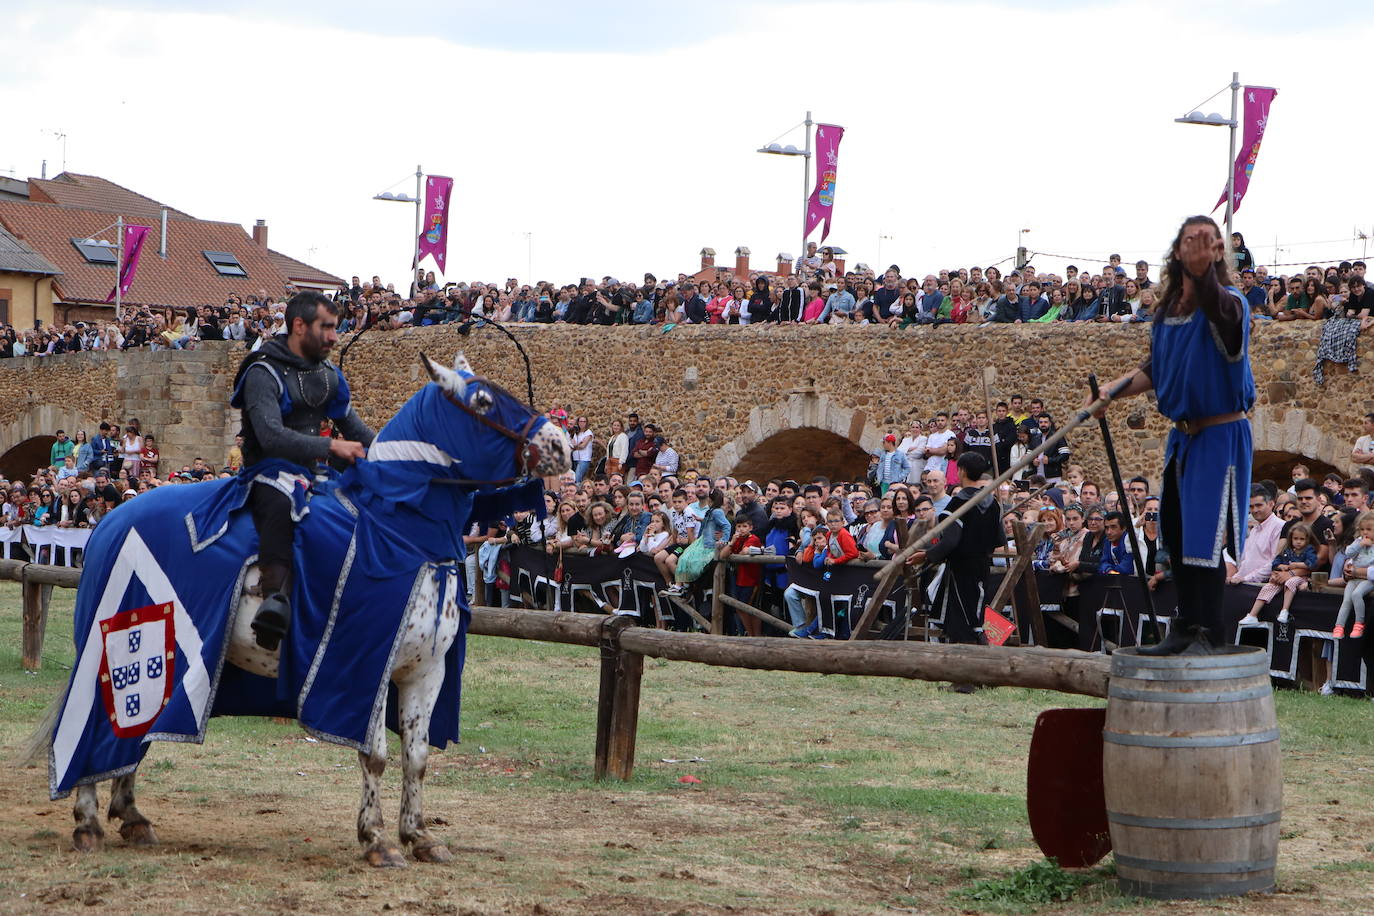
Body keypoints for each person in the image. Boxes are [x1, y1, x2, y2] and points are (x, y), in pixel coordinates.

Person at [1093, 216, 1254, 654]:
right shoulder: (1167, 315)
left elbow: (1225, 316)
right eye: (1190, 241)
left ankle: (1209, 633)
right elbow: (1154, 370)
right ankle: (1184, 627)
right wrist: (1113, 392)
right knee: (1179, 536)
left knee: (1205, 539)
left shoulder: (1230, 304)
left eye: (1206, 243)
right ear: (1176, 252)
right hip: (1182, 438)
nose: (1199, 248)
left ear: (1217, 253)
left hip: (1220, 436)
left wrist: (1205, 276)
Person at [230, 291, 375, 650]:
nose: (334, 336)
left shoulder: (328, 374)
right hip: (268, 470)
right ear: (298, 325)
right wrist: (330, 446)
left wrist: (398, 454)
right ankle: (272, 603)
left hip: (317, 475)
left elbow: (356, 431)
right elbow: (270, 435)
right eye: (326, 327)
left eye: (336, 328)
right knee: (279, 505)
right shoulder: (261, 371)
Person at [910, 453, 1001, 671]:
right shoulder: (993, 504)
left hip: (962, 569)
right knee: (975, 617)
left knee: (963, 621)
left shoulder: (959, 503)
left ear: (960, 471)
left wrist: (928, 554)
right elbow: (998, 539)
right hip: (982, 567)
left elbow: (950, 541)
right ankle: (976, 673)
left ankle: (968, 677)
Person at [1238, 523, 1317, 626]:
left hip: (1301, 578)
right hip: (1283, 576)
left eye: (1302, 539)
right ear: (1291, 538)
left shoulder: (1309, 549)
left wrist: (1296, 565)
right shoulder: (1287, 549)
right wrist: (1281, 566)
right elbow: (1275, 562)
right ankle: (1253, 615)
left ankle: (1284, 611)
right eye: (1295, 538)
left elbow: (1312, 564)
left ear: (1307, 539)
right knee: (1269, 586)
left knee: (1291, 582)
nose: (1298, 542)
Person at [1330, 511, 1374, 639]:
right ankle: (1339, 626)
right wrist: (1359, 545)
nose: (1365, 532)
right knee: (1347, 599)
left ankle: (1359, 623)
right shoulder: (1359, 541)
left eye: (1369, 529)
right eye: (1362, 529)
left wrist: (1359, 571)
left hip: (1367, 580)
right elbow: (1348, 553)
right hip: (1353, 579)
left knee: (1356, 594)